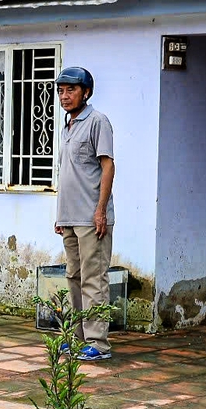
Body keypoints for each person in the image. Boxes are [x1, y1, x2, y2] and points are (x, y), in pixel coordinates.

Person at [52, 65, 115, 361]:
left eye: (71, 90)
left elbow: (107, 166)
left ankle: (98, 344)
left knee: (94, 278)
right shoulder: (68, 126)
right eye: (61, 91)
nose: (65, 96)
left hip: (92, 218)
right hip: (69, 218)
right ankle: (78, 338)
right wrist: (60, 216)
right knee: (74, 277)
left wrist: (100, 210)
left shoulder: (97, 122)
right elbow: (68, 173)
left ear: (86, 92)